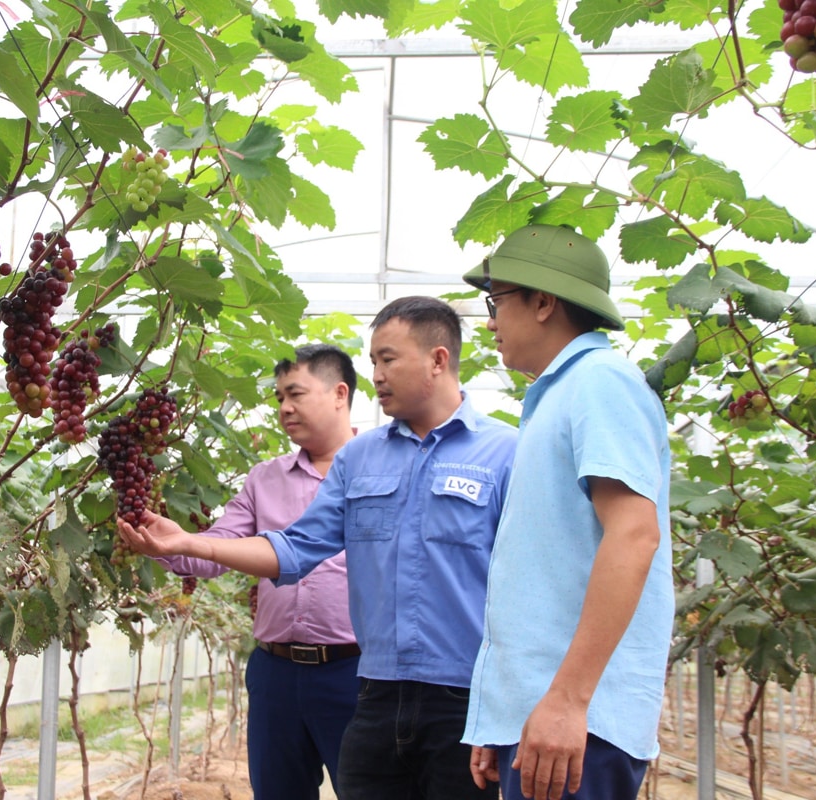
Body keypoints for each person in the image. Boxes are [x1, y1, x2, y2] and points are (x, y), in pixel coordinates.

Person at [119, 295, 517, 800]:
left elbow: (528, 589)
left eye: (387, 359)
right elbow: (295, 549)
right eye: (373, 360)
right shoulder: (361, 460)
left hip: (455, 696)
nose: (378, 374)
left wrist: (510, 707)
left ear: (438, 360)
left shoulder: (507, 453)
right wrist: (190, 544)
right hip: (372, 694)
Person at [460, 224, 674, 800]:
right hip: (545, 715)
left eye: (496, 302)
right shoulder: (559, 394)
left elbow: (634, 537)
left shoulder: (601, 383)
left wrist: (568, 701)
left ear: (544, 303)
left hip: (579, 723)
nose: (490, 321)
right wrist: (499, 718)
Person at [148, 344, 360, 800]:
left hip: (356, 673)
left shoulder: (379, 470)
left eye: (296, 394)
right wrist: (172, 543)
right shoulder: (264, 478)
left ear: (339, 393)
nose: (285, 407)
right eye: (280, 396)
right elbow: (216, 551)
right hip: (275, 673)